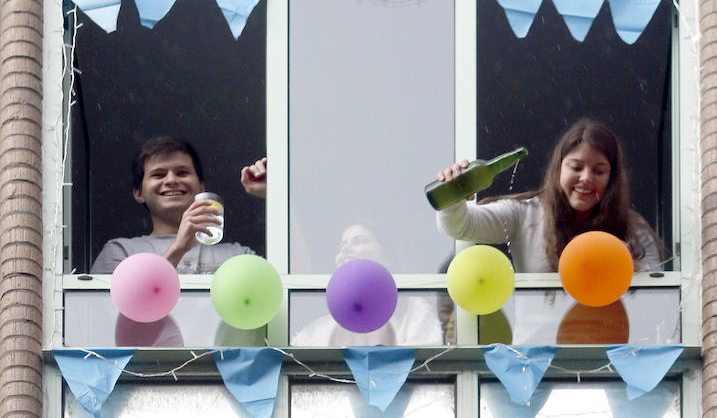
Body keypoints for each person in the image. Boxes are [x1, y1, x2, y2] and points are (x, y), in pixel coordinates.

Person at [434, 118, 662, 275]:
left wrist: (628, 265)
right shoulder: (524, 214)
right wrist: (452, 195)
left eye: (599, 171)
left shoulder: (632, 227)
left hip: (610, 345)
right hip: (535, 346)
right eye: (576, 167)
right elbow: (460, 226)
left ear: (612, 180)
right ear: (558, 169)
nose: (586, 178)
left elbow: (657, 288)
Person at [91, 136, 267, 275]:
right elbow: (109, 313)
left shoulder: (237, 255)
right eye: (158, 175)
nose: (172, 180)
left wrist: (271, 194)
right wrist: (178, 248)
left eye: (182, 173)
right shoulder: (121, 252)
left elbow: (283, 299)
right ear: (139, 193)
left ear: (201, 187)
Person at [292, 221, 442, 347]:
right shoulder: (321, 329)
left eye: (359, 241)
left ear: (388, 257)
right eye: (342, 245)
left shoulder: (412, 309)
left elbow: (425, 359)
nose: (346, 249)